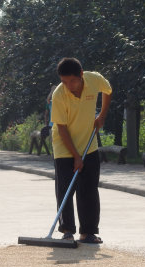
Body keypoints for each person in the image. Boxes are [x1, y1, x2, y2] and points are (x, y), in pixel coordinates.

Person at [50, 57, 112, 243]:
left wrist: (102, 115)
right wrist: (76, 156)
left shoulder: (94, 80)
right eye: (64, 81)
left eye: (72, 81)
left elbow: (108, 90)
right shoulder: (59, 95)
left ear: (81, 75)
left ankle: (88, 232)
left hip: (89, 144)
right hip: (64, 146)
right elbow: (61, 129)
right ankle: (67, 230)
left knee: (89, 189)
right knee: (65, 190)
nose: (68, 85)